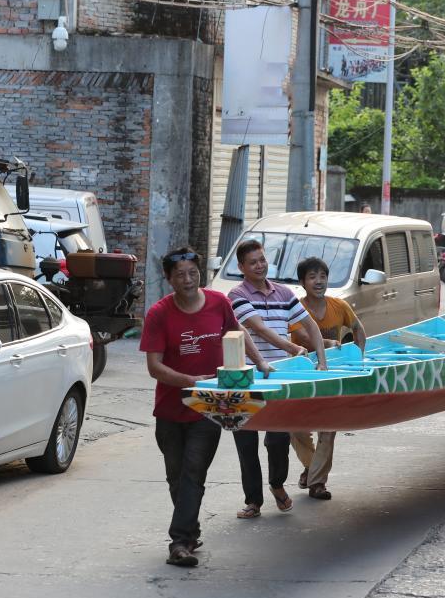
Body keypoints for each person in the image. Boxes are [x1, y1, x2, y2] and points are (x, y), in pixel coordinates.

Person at [140, 247, 272, 567]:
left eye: (193, 273)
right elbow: (154, 367)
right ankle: (190, 530)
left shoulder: (218, 302)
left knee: (193, 472)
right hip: (170, 410)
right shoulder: (159, 314)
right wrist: (189, 379)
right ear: (169, 279)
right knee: (177, 477)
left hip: (209, 407)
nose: (188, 280)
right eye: (180, 275)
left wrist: (261, 363)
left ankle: (179, 542)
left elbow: (238, 334)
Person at [228, 239, 328, 519]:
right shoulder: (236, 295)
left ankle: (276, 484)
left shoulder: (284, 293)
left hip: (281, 377)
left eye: (262, 259)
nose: (260, 265)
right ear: (242, 267)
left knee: (278, 439)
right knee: (245, 439)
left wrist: (322, 361)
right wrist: (292, 348)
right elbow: (257, 328)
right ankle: (253, 501)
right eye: (253, 262)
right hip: (246, 377)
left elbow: (310, 325)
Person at [288, 257, 367, 500]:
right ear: (303, 282)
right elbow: (303, 337)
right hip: (302, 377)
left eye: (322, 276)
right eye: (312, 277)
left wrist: (358, 359)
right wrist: (329, 343)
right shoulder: (296, 309)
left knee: (328, 428)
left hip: (333, 377)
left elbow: (359, 330)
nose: (318, 281)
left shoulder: (339, 306)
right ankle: (312, 468)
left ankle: (317, 483)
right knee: (295, 429)